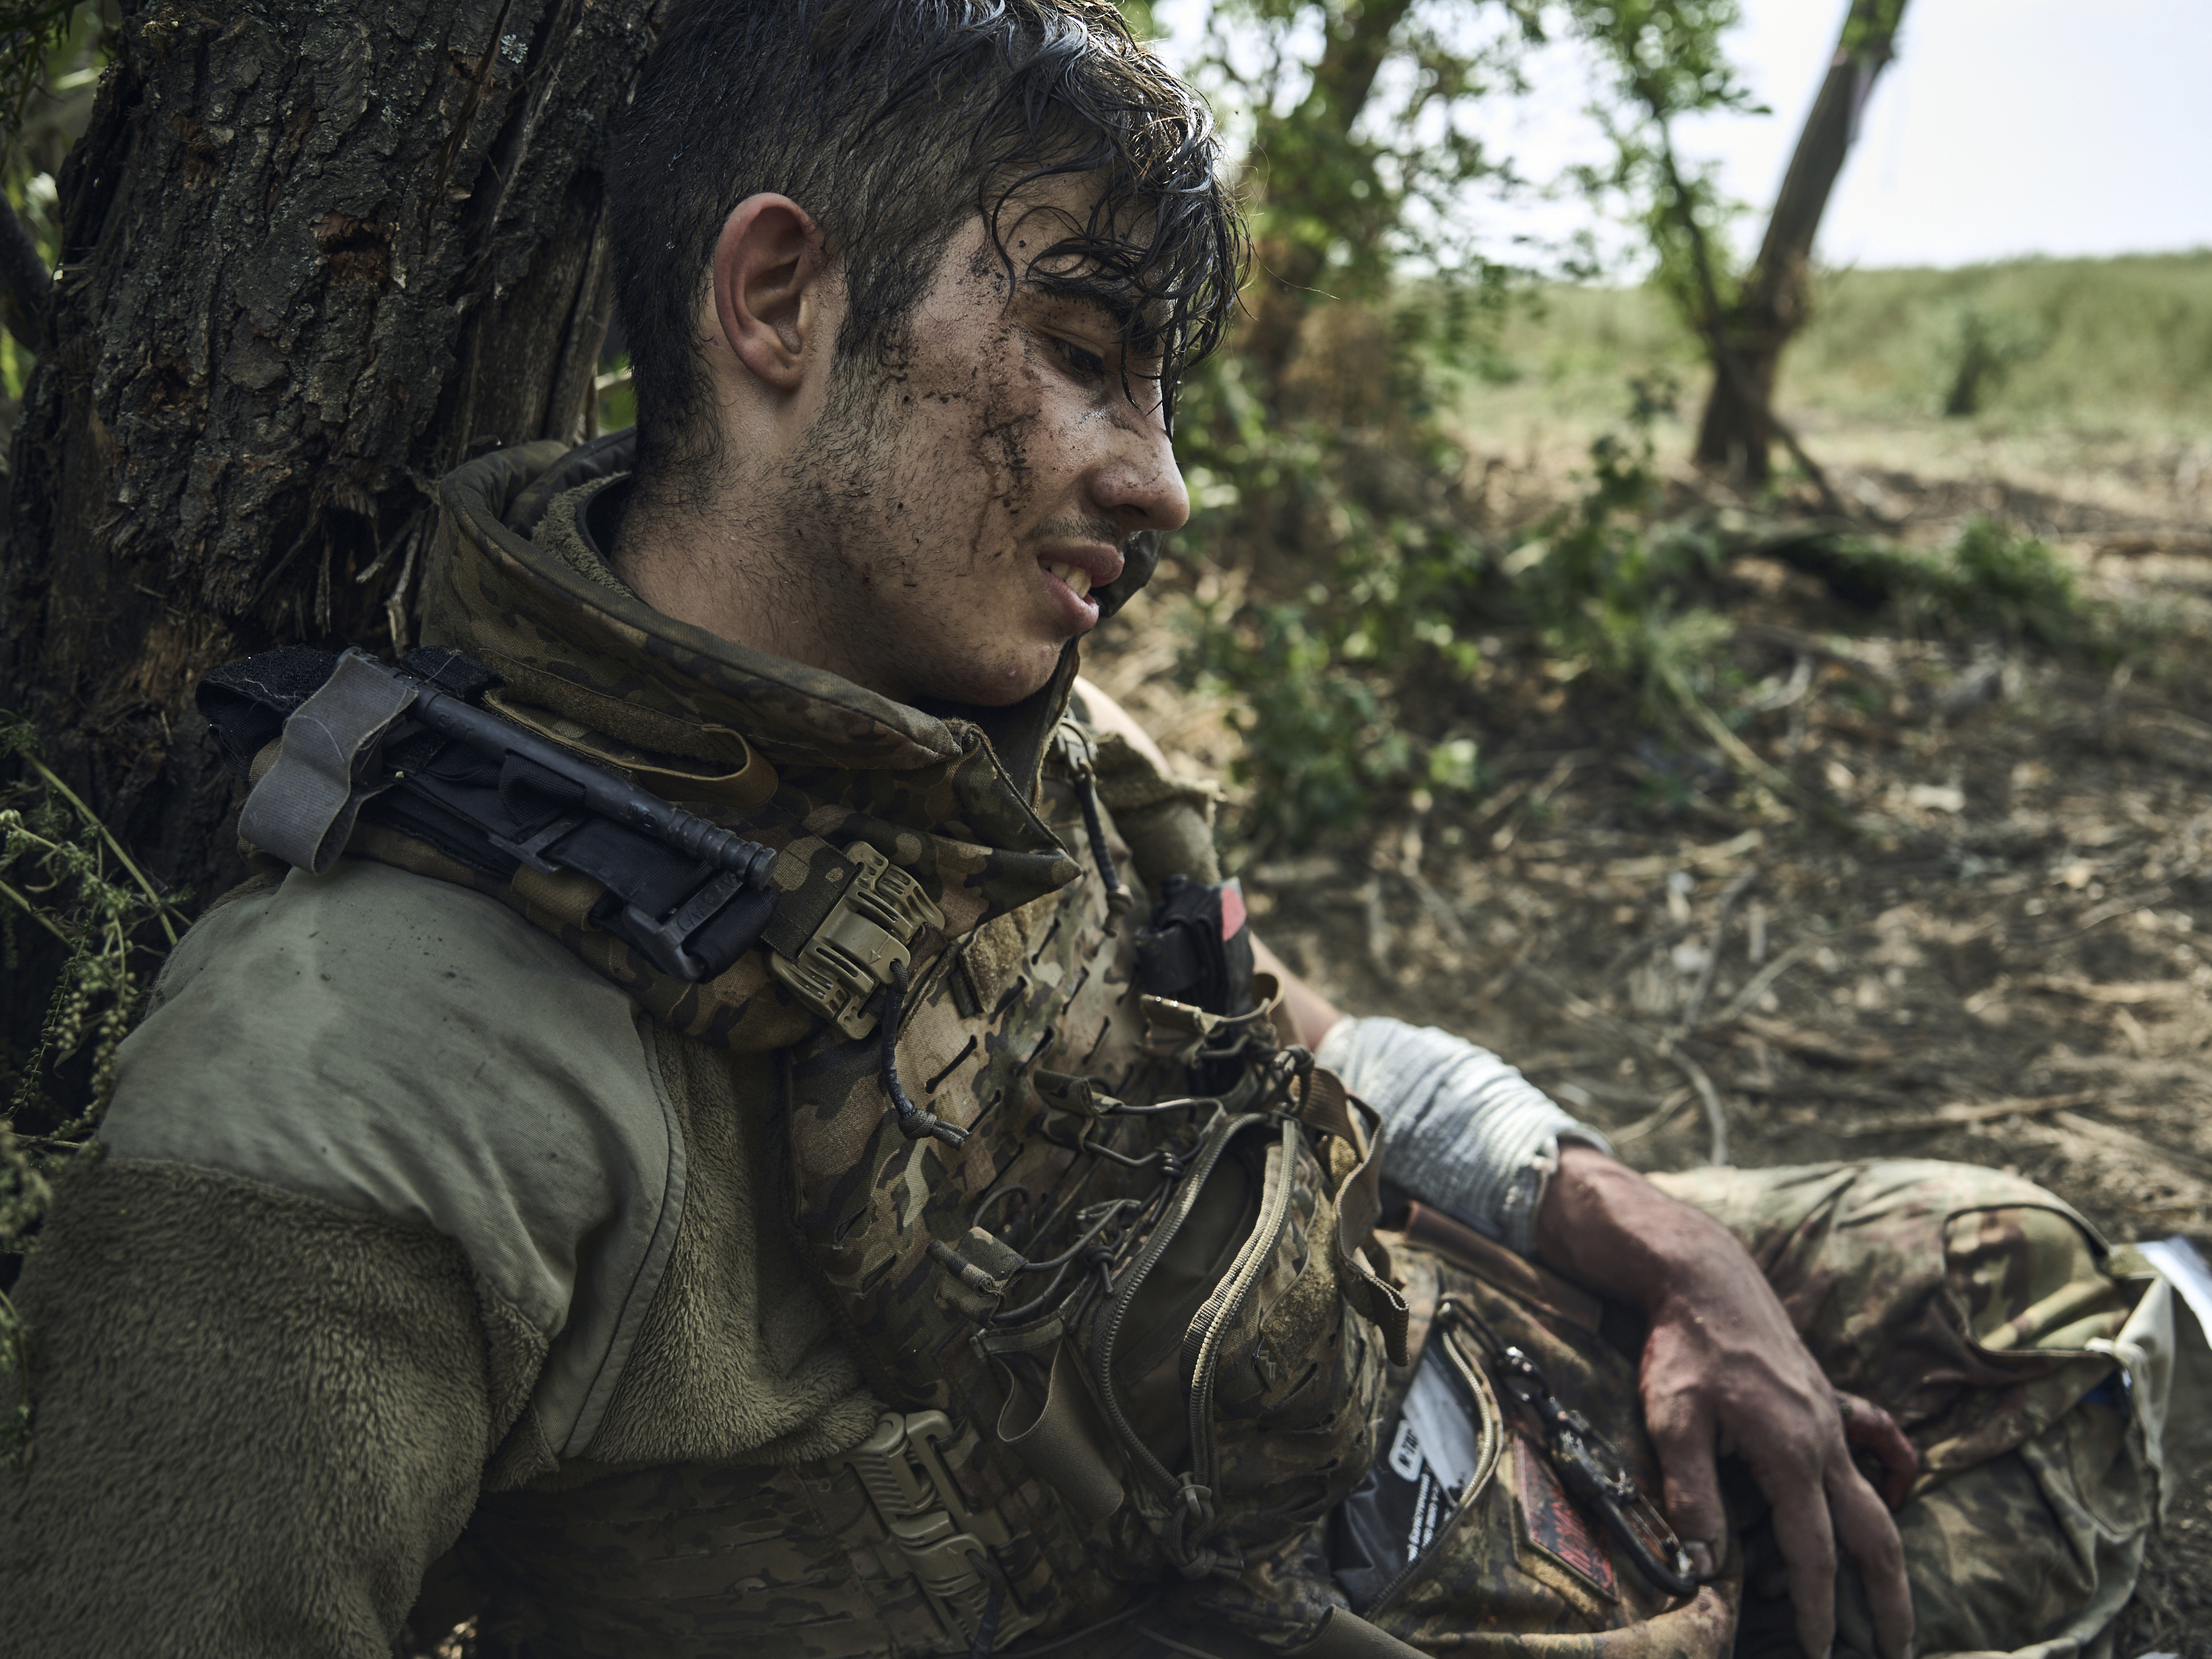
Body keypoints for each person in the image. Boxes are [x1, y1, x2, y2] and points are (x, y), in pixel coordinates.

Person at [1, 4, 2184, 1657]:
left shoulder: (1006, 738)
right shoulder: (367, 1068)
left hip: (1436, 1345)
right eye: (1080, 351)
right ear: (777, 302)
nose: (1160, 478)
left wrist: (1657, 1243)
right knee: (2111, 1444)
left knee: (2037, 1278)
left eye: (1158, 391)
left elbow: (1300, 1037)